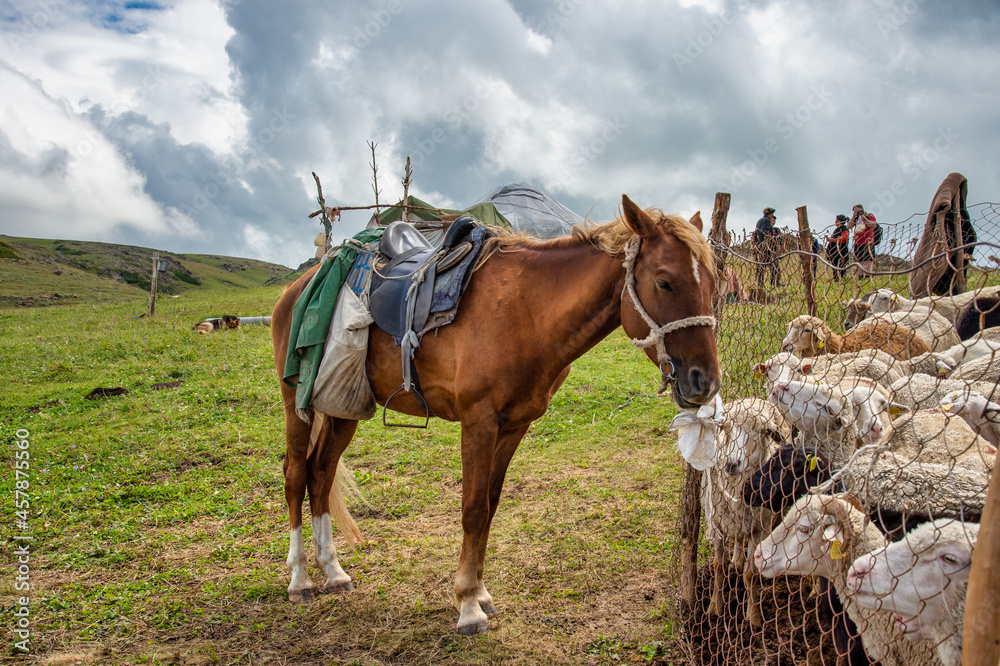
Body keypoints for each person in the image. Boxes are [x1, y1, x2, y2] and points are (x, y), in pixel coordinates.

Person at [753, 207, 783, 288]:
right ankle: (775, 283)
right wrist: (773, 237)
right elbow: (765, 231)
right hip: (768, 247)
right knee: (774, 266)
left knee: (761, 267)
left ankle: (760, 283)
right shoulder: (766, 221)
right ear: (770, 214)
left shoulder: (759, 221)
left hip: (760, 247)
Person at [847, 204, 877, 277]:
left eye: (857, 210)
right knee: (858, 260)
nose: (856, 212)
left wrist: (863, 216)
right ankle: (860, 276)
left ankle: (867, 276)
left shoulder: (869, 216)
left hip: (868, 242)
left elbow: (873, 225)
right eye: (855, 211)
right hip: (858, 242)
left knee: (868, 261)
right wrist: (853, 216)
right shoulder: (856, 219)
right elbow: (848, 226)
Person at [825, 214, 851, 281]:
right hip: (834, 251)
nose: (835, 221)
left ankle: (841, 279)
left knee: (840, 266)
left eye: (836, 220)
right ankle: (836, 279)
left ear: (839, 221)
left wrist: (833, 240)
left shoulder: (844, 229)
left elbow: (844, 239)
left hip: (840, 251)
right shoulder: (837, 229)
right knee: (835, 266)